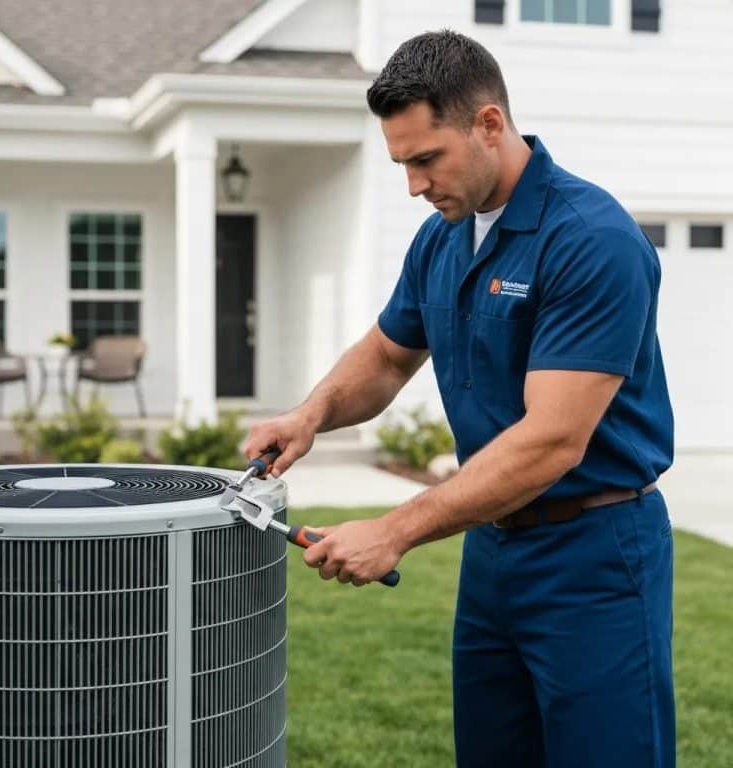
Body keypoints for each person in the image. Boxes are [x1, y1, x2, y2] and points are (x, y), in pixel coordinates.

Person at [244, 30, 675, 768]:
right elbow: (387, 355)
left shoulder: (591, 239)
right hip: (493, 552)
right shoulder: (441, 239)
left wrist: (394, 530)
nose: (415, 185)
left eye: (426, 159)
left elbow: (553, 440)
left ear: (489, 124)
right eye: (401, 165)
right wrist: (309, 415)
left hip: (595, 554)